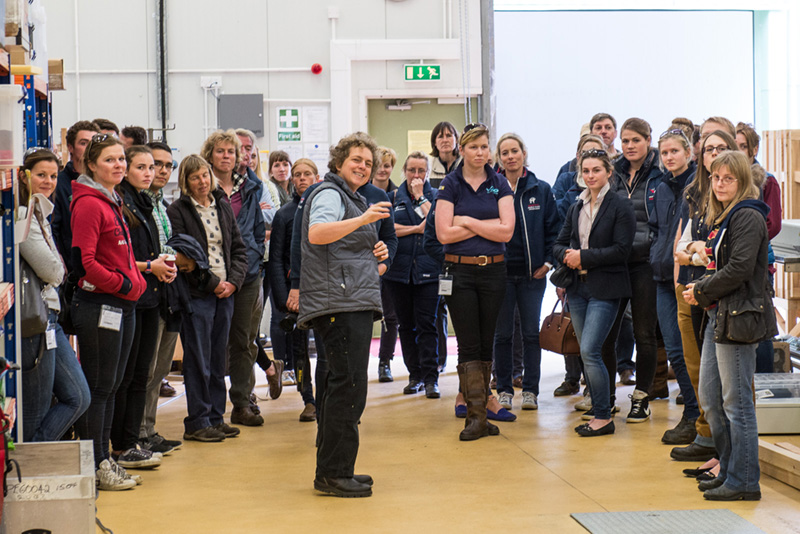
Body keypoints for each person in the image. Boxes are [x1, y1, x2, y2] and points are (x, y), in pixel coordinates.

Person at [298, 132, 391, 498]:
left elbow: (345, 248)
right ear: (338, 162)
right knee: (347, 387)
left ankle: (335, 467)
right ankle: (334, 473)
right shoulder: (329, 193)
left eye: (368, 163)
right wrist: (365, 219)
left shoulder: (349, 198)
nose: (363, 167)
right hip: (339, 304)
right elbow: (318, 233)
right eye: (356, 159)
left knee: (342, 385)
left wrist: (375, 252)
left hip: (348, 299)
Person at [683, 151, 776, 501]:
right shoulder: (725, 216)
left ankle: (744, 481)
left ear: (742, 182)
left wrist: (702, 289)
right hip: (719, 314)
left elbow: (738, 269)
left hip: (738, 318)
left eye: (728, 179)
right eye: (716, 178)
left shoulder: (748, 215)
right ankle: (729, 468)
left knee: (737, 404)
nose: (720, 184)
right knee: (711, 398)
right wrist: (703, 290)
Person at [70, 134, 147, 490]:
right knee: (100, 388)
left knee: (112, 385)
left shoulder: (111, 199)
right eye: (109, 160)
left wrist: (135, 281)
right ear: (91, 165)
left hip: (121, 304)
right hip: (101, 305)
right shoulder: (88, 203)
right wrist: (124, 284)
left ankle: (105, 457)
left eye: (121, 160)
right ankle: (96, 463)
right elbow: (83, 264)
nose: (118, 165)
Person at [435, 123, 515, 441]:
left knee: (486, 342)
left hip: (494, 270)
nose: (480, 152)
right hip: (460, 272)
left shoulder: (499, 184)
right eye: (474, 147)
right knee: (468, 343)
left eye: (485, 147)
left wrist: (466, 220)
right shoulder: (450, 185)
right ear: (462, 150)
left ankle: (482, 414)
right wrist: (489, 224)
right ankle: (475, 416)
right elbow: (444, 234)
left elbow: (507, 231)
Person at [554, 148, 635, 437]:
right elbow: (559, 242)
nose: (590, 176)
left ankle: (603, 415)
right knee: (588, 351)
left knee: (590, 350)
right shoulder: (577, 206)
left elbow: (622, 250)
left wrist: (583, 257)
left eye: (596, 170)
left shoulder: (620, 206)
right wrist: (566, 254)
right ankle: (600, 409)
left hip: (607, 288)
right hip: (578, 288)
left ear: (609, 173)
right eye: (585, 171)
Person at [167, 155, 248, 442]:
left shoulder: (222, 206)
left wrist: (233, 283)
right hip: (197, 294)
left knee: (217, 359)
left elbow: (239, 248)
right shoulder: (177, 211)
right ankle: (197, 421)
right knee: (197, 360)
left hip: (225, 293)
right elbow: (185, 256)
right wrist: (213, 284)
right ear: (185, 183)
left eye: (204, 175)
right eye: (194, 177)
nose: (202, 182)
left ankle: (216, 417)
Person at [670, 129, 739, 465]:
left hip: (725, 300)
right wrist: (698, 253)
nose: (713, 153)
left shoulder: (743, 211)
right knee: (701, 376)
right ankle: (707, 437)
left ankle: (731, 463)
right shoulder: (697, 196)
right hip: (693, 290)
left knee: (730, 390)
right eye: (708, 149)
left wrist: (701, 253)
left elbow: (723, 258)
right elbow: (680, 249)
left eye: (721, 148)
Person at [110, 145, 175, 470]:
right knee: (126, 377)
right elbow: (119, 258)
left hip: (151, 297)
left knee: (141, 375)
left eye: (153, 167)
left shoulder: (147, 202)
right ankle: (121, 445)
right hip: (131, 297)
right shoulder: (121, 204)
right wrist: (151, 266)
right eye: (142, 166)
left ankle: (133, 440)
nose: (149, 173)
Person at [18, 148, 90, 443]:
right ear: (24, 177)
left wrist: (57, 268)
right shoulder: (23, 216)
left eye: (52, 176)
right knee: (33, 413)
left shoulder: (42, 210)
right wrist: (57, 269)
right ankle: (30, 469)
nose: (48, 181)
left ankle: (36, 455)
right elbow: (54, 271)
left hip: (52, 319)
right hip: (35, 322)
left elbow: (56, 266)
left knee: (78, 397)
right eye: (40, 175)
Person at [201, 129, 267, 426]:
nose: (227, 156)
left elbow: (256, 231)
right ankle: (210, 411)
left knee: (244, 340)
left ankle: (242, 402)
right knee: (213, 342)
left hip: (248, 274)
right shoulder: (201, 186)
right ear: (210, 155)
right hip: (211, 277)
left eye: (231, 151)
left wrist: (249, 263)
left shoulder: (251, 187)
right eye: (221, 151)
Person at [601, 118, 663, 423]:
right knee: (607, 335)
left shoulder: (660, 173)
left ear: (648, 140)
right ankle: (606, 397)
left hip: (645, 263)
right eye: (625, 141)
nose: (629, 146)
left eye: (635, 140)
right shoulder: (613, 172)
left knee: (643, 333)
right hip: (615, 262)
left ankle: (641, 396)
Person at [493, 133, 559, 411]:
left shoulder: (540, 189)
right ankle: (505, 389)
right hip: (500, 273)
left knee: (531, 334)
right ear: (499, 158)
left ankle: (530, 390)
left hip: (532, 275)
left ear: (523, 154)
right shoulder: (492, 189)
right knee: (503, 334)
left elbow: (554, 230)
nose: (510, 156)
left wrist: (547, 263)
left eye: (514, 151)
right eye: (505, 152)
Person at [649, 128, 701, 445]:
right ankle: (691, 413)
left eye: (675, 152)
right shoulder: (660, 186)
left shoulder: (697, 186)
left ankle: (701, 417)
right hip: (661, 278)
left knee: (692, 352)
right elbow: (657, 229)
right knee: (675, 353)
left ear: (688, 153)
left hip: (688, 278)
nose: (669, 157)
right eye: (665, 153)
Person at [138, 141, 185, 454]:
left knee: (160, 370)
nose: (161, 170)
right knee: (145, 369)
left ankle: (149, 428)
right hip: (145, 293)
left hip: (168, 290)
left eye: (168, 165)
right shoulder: (136, 203)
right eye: (155, 164)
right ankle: (137, 432)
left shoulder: (161, 203)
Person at [383, 152, 441, 398]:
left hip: (428, 272)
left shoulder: (437, 196)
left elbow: (436, 224)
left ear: (427, 173)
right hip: (398, 273)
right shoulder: (391, 198)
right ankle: (414, 375)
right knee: (405, 325)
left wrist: (419, 198)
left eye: (421, 170)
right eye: (411, 170)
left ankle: (431, 379)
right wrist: (416, 229)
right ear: (404, 172)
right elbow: (387, 229)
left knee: (427, 324)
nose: (416, 175)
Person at [269, 159, 321, 422]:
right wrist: (283, 297)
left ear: (317, 177)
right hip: (295, 293)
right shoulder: (284, 214)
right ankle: (308, 398)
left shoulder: (326, 209)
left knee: (325, 349)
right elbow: (276, 258)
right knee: (300, 351)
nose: (302, 179)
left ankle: (327, 398)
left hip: (324, 290)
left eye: (307, 174)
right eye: (298, 175)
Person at [735, 122, 782, 374]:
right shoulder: (730, 179)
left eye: (743, 146)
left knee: (761, 324)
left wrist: (745, 236)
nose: (739, 151)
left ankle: (764, 384)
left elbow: (773, 224)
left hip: (760, 259)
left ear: (754, 149)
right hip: (734, 262)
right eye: (735, 146)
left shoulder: (768, 181)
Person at [52, 120, 101, 272]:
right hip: (74, 270)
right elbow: (53, 229)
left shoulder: (104, 183)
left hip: (102, 268)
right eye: (83, 143)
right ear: (70, 147)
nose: (89, 148)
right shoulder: (58, 184)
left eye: (93, 143)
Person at [373, 147, 400, 382]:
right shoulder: (360, 192)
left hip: (389, 262)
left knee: (390, 316)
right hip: (363, 262)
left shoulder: (398, 194)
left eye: (387, 165)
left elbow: (396, 231)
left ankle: (385, 362)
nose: (383, 169)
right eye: (379, 164)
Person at [428, 121, 462, 189]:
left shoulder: (466, 164)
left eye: (449, 136)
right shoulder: (429, 167)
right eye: (440, 137)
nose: (445, 140)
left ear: (456, 139)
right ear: (435, 142)